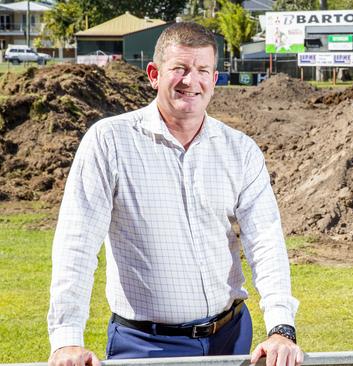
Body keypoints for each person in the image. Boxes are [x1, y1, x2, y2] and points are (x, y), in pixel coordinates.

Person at [47, 22, 302, 366]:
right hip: (144, 345)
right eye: (179, 69)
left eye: (201, 70)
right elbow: (76, 246)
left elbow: (266, 243)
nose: (190, 81)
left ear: (214, 79)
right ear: (154, 74)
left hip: (232, 338)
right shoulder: (109, 142)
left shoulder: (240, 150)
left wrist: (281, 328)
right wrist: (66, 340)